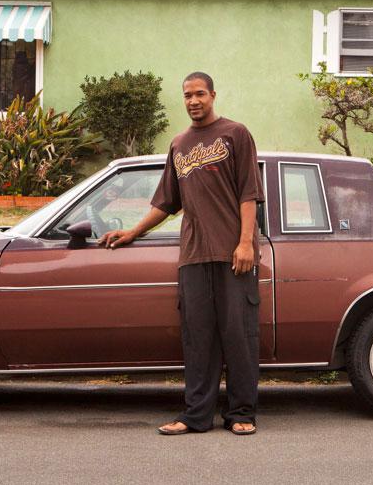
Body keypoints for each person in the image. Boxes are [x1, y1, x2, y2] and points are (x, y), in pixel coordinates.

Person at [98, 71, 264, 436]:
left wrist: (246, 242)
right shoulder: (179, 144)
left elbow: (248, 192)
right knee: (198, 339)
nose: (193, 101)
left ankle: (241, 413)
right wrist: (132, 231)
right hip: (192, 256)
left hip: (232, 256)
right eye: (187, 95)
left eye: (200, 94)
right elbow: (167, 203)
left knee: (238, 336)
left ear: (213, 95)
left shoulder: (236, 134)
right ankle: (196, 416)